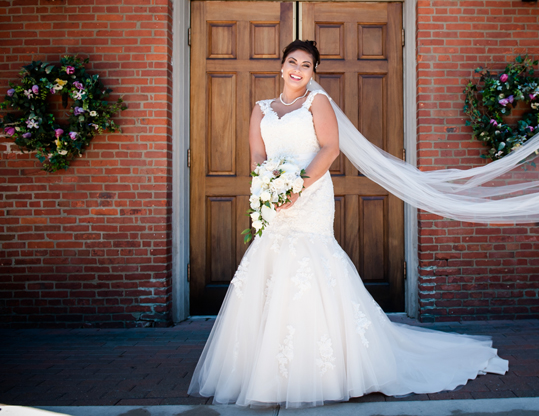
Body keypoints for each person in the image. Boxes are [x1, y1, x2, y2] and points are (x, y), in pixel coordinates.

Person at [187, 40, 508, 408]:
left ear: (313, 72)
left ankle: (331, 366)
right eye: (292, 62)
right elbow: (258, 153)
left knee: (313, 263)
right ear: (281, 66)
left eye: (306, 65)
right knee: (271, 262)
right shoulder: (261, 109)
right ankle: (267, 370)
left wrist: (298, 186)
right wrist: (267, 184)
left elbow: (330, 148)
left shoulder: (316, 102)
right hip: (274, 198)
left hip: (311, 194)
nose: (297, 69)